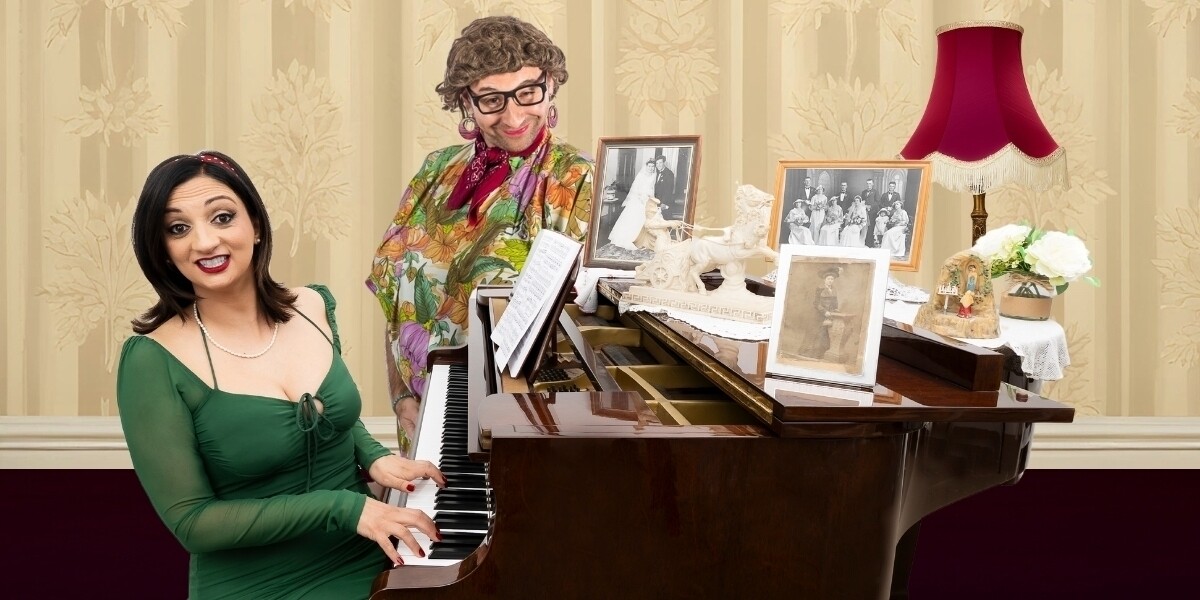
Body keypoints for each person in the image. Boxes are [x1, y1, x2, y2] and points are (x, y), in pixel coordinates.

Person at [117, 151, 446, 598]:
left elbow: (331, 415)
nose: (205, 242)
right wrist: (345, 508)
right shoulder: (151, 360)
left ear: (254, 223)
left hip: (368, 557)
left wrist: (373, 456)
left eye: (222, 217)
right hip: (258, 585)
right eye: (178, 228)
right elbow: (193, 523)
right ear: (163, 249)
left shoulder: (311, 306)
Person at [366, 16, 593, 449]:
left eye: (528, 92)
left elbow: (583, 332)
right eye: (491, 99)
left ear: (551, 86)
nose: (513, 116)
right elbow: (394, 305)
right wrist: (399, 398)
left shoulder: (575, 179)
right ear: (466, 103)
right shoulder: (435, 171)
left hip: (514, 429)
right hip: (421, 421)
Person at [608, 159, 659, 249]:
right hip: (638, 199)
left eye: (652, 167)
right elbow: (635, 188)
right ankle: (629, 238)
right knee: (634, 218)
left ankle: (644, 240)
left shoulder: (654, 176)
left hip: (648, 199)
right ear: (646, 167)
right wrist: (641, 197)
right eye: (649, 166)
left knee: (647, 218)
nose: (651, 168)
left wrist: (651, 198)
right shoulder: (641, 176)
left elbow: (652, 189)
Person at [799, 268, 840, 359]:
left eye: (832, 279)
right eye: (828, 279)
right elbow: (816, 303)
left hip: (829, 314)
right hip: (818, 314)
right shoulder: (819, 288)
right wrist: (824, 311)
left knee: (824, 335)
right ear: (825, 279)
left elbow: (835, 301)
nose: (830, 281)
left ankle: (819, 354)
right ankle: (807, 353)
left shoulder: (833, 289)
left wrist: (835, 309)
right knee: (815, 333)